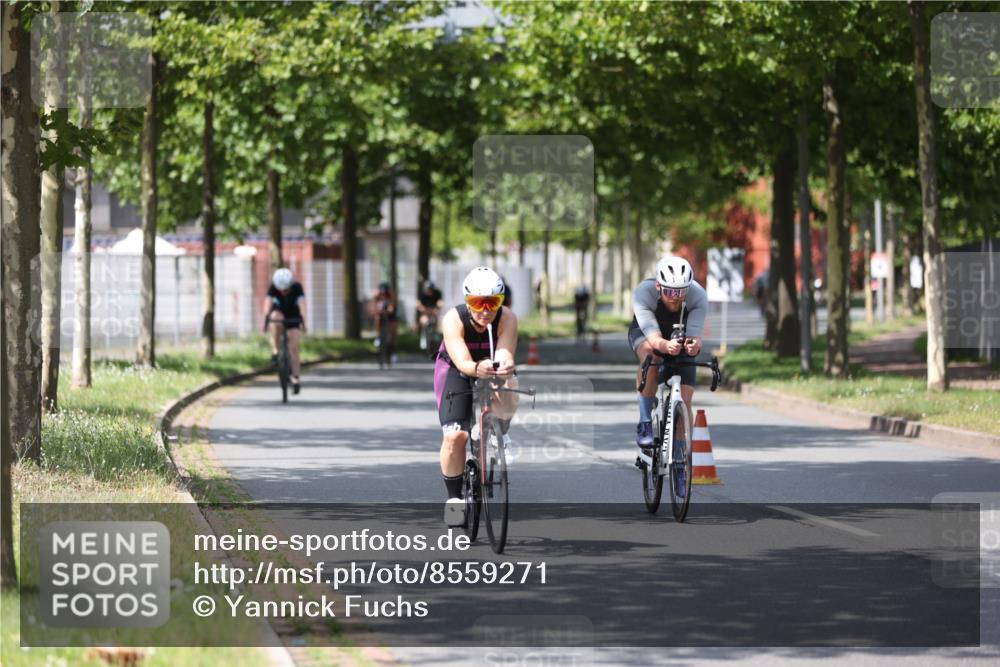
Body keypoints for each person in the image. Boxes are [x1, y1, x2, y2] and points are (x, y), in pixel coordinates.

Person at [433, 267, 519, 526]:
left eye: (492, 303)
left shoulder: (507, 319)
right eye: (477, 303)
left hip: (488, 365)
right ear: (467, 301)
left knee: (510, 380)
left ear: (501, 302)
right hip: (456, 370)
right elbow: (462, 361)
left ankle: (500, 429)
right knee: (454, 437)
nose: (485, 310)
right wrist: (476, 369)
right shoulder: (453, 319)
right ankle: (454, 499)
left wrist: (503, 367)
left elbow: (505, 353)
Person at [629, 256, 707, 449]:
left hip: (678, 331)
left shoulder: (698, 296)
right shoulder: (643, 294)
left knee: (686, 398)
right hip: (648, 332)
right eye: (670, 291)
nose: (675, 297)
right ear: (658, 286)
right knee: (651, 355)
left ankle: (681, 454)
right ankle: (645, 422)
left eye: (681, 292)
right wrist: (666, 346)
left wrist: (694, 345)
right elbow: (654, 339)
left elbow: (696, 336)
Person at [264, 267, 306, 394]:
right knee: (275, 317)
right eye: (280, 290)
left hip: (294, 316)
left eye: (286, 290)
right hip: (279, 314)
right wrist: (266, 318)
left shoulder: (297, 287)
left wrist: (304, 322)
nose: (283, 292)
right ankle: (276, 350)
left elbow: (302, 305)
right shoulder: (273, 287)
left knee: (294, 348)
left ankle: (296, 378)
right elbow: (267, 303)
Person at [371, 281, 398, 360]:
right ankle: (378, 336)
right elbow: (373, 306)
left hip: (390, 315)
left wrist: (389, 310)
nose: (383, 295)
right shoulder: (376, 295)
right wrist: (375, 311)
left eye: (384, 293)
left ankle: (392, 350)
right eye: (381, 293)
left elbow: (392, 307)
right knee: (377, 318)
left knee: (392, 330)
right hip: (380, 313)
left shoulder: (391, 294)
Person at [416, 280, 444, 350]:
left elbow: (440, 303)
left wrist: (437, 309)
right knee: (424, 321)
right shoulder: (422, 294)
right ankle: (423, 336)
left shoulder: (437, 293)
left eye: (431, 290)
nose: (429, 291)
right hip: (425, 311)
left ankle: (435, 333)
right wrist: (424, 309)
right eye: (428, 290)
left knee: (436, 320)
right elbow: (418, 304)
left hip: (434, 310)